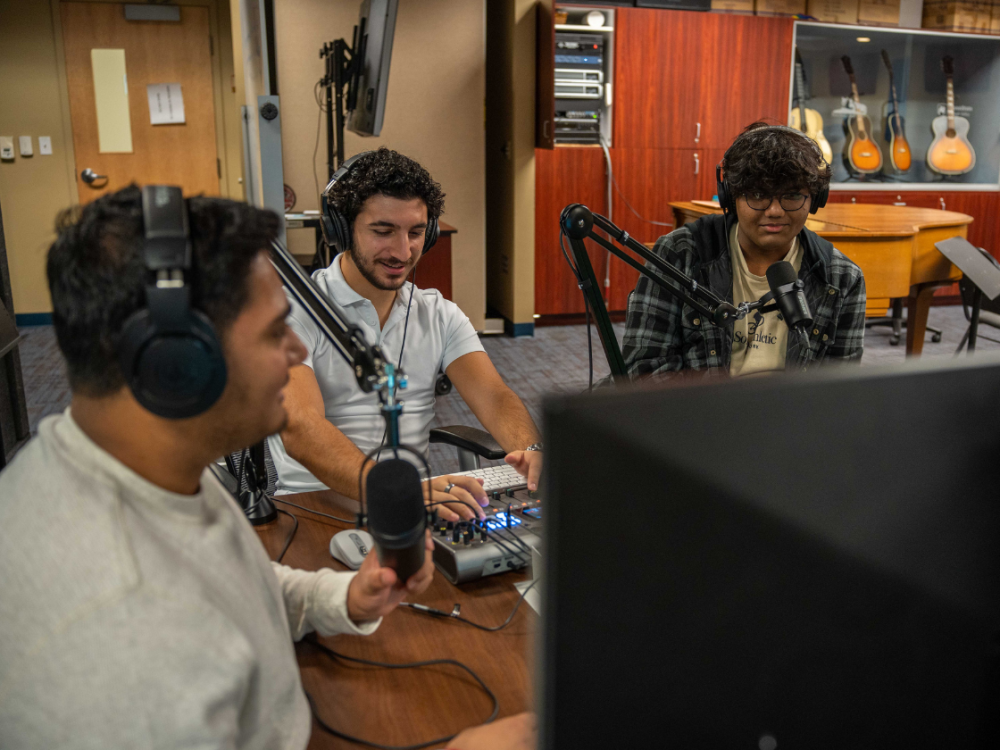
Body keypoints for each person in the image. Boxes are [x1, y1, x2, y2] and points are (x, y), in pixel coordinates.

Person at [0, 187, 533, 750]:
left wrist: (344, 599)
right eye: (273, 330)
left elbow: (225, 588)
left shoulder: (136, 468)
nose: (299, 352)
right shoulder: (121, 629)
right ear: (178, 364)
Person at [269, 148, 542, 521]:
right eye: (383, 231)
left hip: (413, 505)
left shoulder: (439, 314)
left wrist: (532, 449)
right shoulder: (294, 311)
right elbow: (301, 428)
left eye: (415, 232)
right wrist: (395, 490)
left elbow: (494, 396)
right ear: (342, 229)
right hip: (315, 509)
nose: (402, 251)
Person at [622, 122, 866, 378]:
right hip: (701, 413)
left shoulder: (841, 277)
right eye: (758, 194)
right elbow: (643, 371)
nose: (775, 211)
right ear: (730, 197)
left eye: (792, 195)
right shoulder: (678, 254)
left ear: (815, 200)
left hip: (792, 415)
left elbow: (839, 388)